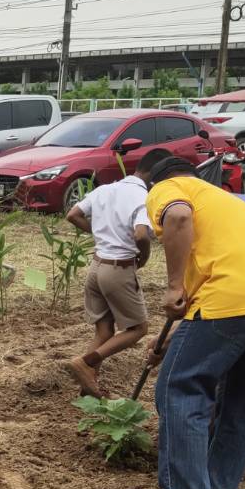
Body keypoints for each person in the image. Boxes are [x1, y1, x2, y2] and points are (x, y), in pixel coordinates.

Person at [125, 156, 245, 489]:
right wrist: (172, 340)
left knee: (180, 386)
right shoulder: (227, 203)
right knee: (243, 400)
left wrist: (173, 286)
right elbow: (215, 289)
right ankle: (217, 488)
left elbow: (177, 218)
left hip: (233, 295)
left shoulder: (169, 188)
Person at [63, 147, 167, 396]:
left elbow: (73, 214)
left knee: (104, 331)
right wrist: (144, 256)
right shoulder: (143, 198)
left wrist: (102, 234)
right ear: (156, 176)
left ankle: (88, 387)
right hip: (118, 269)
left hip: (96, 267)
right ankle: (86, 362)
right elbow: (141, 234)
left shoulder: (105, 189)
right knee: (138, 329)